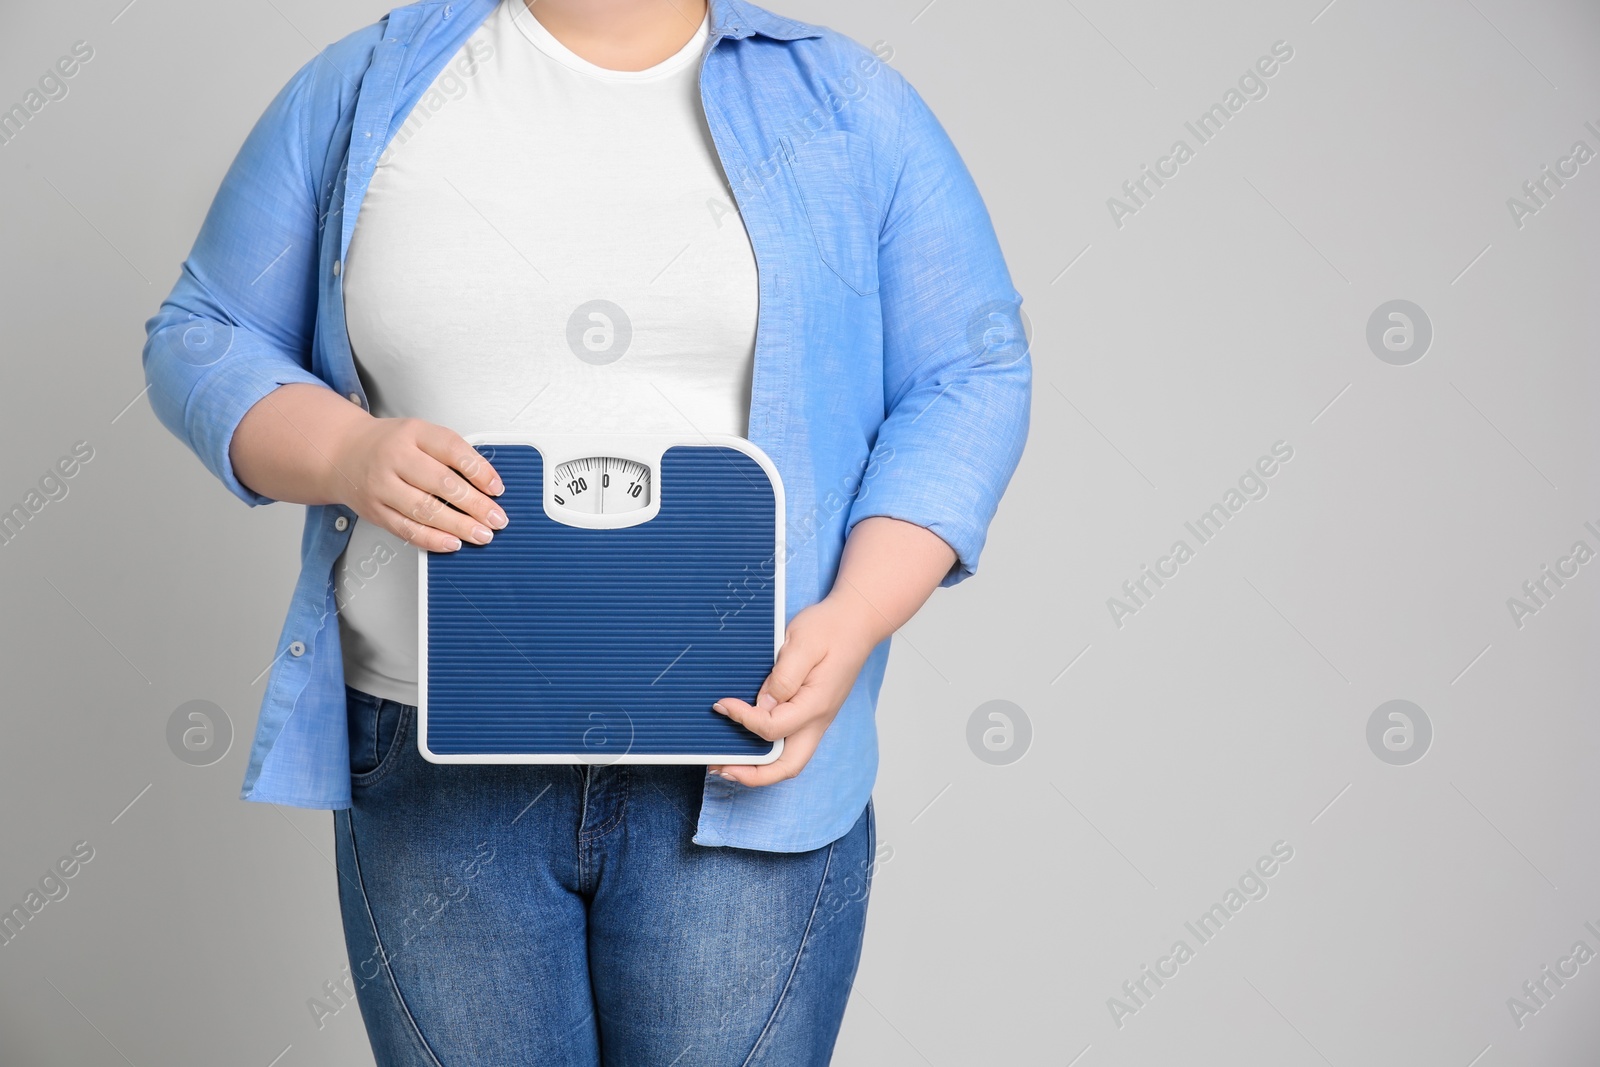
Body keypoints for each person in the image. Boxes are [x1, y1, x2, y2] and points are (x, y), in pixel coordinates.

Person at [142, 0, 1030, 1061]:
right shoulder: (368, 84)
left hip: (740, 752)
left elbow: (969, 368)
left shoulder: (845, 103)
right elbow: (203, 332)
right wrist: (345, 452)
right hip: (432, 755)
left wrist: (860, 607)